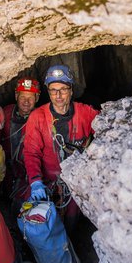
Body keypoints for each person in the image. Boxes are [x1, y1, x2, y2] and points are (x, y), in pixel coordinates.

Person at [23, 64, 99, 236]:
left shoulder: (86, 113)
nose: (58, 95)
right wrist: (35, 181)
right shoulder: (38, 117)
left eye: (63, 89)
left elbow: (107, 131)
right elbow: (31, 152)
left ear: (71, 90)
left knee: (71, 219)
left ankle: (71, 243)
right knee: (41, 221)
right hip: (47, 180)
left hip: (75, 181)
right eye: (53, 90)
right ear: (48, 92)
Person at [0, 77, 40, 207]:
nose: (26, 102)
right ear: (16, 96)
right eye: (23, 97)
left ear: (37, 98)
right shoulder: (6, 112)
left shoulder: (42, 118)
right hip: (4, 170)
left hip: (28, 174)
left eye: (31, 97)